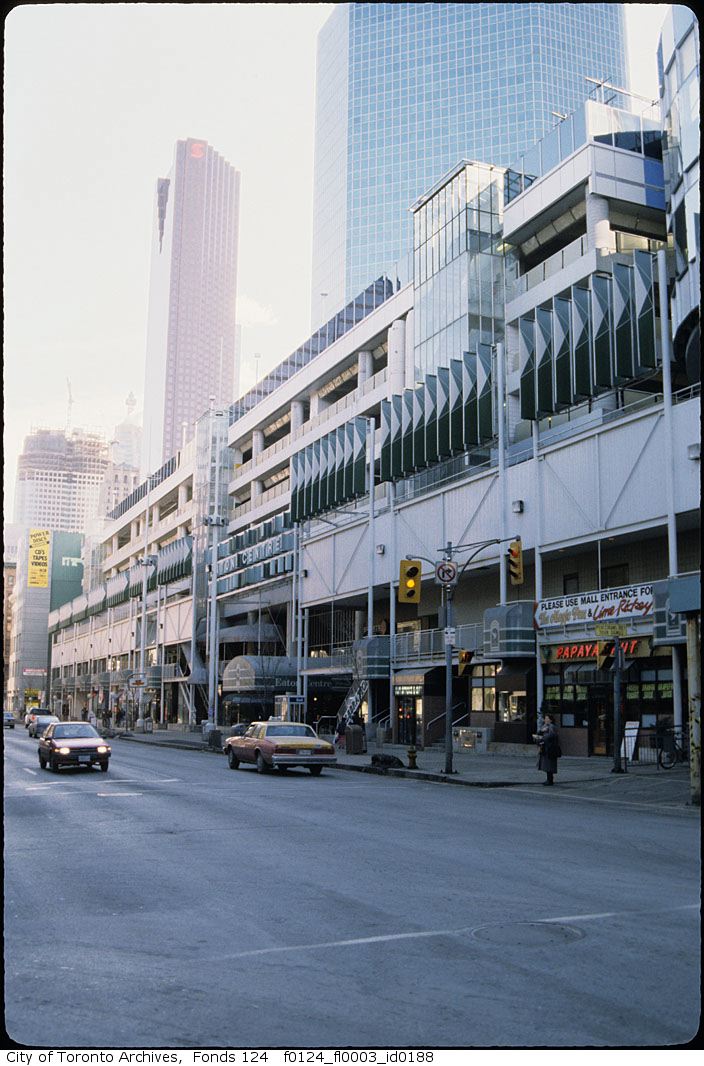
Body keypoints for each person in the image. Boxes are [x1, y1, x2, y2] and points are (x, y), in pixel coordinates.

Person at [534, 713, 561, 786]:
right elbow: (539, 733)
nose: (545, 720)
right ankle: (548, 779)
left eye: (547, 718)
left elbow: (552, 735)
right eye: (545, 718)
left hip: (550, 748)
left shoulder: (552, 727)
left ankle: (550, 779)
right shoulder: (544, 726)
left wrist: (543, 737)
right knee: (546, 764)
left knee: (549, 764)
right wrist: (540, 733)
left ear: (551, 720)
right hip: (545, 748)